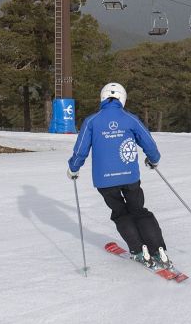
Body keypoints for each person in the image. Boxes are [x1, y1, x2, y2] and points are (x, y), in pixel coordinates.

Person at [67, 82, 169, 267]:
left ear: (102, 97)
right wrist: (153, 160)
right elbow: (150, 144)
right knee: (139, 211)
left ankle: (139, 250)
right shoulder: (130, 119)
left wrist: (74, 168)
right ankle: (157, 249)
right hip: (130, 177)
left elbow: (81, 150)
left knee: (121, 213)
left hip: (105, 181)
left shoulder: (92, 120)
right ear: (122, 98)